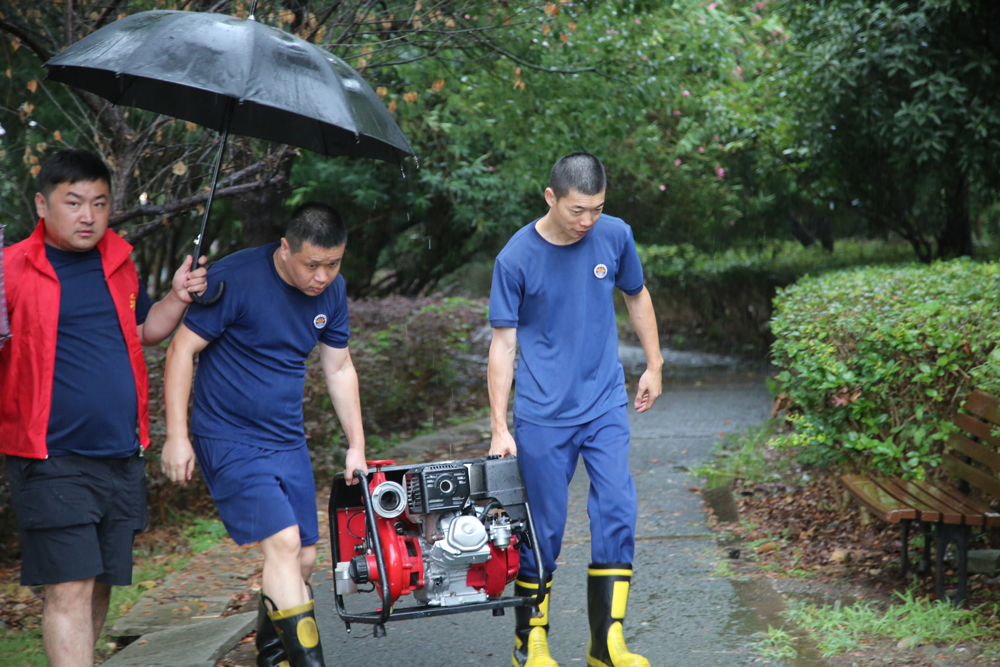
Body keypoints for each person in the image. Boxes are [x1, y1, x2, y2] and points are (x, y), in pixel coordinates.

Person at [0, 148, 208, 667]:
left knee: (97, 586)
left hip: (119, 453)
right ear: (42, 205)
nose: (88, 215)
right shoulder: (10, 270)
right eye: (73, 202)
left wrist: (178, 296)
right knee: (68, 586)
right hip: (49, 456)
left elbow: (144, 332)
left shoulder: (118, 262)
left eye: (98, 202)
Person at [162, 202, 367, 667]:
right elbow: (180, 350)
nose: (322, 276)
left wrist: (356, 445)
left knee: (305, 559)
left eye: (333, 264)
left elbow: (338, 367)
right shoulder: (234, 277)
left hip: (286, 438)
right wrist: (177, 435)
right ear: (285, 249)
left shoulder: (332, 292)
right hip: (228, 435)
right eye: (312, 264)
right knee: (285, 545)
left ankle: (270, 658)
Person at [488, 153, 663, 667]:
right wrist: (500, 425)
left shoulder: (615, 235)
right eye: (577, 210)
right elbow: (503, 345)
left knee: (616, 511)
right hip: (543, 413)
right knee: (543, 527)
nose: (587, 221)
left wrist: (654, 364)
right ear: (551, 198)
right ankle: (532, 640)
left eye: (597, 208)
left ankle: (606, 643)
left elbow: (637, 295)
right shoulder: (515, 258)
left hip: (604, 401)